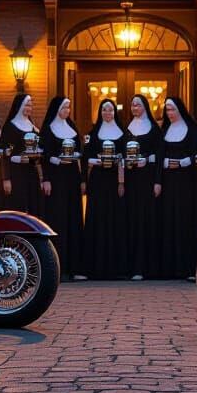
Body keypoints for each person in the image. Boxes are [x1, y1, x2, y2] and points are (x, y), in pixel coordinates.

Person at [81, 99, 128, 279]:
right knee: (97, 220)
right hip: (98, 181)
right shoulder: (93, 133)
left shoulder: (123, 134)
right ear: (100, 112)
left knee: (116, 220)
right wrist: (96, 161)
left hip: (115, 182)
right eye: (104, 110)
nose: (107, 113)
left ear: (114, 112)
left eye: (110, 110)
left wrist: (121, 182)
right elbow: (86, 158)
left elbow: (124, 158)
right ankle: (96, 268)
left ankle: (117, 269)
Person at [40, 95, 84, 281]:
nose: (67, 110)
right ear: (56, 108)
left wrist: (82, 179)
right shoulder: (48, 129)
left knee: (73, 218)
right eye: (64, 107)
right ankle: (58, 267)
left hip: (72, 178)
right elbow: (44, 154)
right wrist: (47, 178)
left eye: (69, 107)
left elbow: (80, 151)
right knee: (58, 218)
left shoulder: (72, 128)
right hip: (56, 179)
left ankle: (75, 267)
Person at [157, 96, 197, 280]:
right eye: (167, 110)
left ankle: (187, 267)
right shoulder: (164, 130)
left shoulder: (191, 130)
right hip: (168, 183)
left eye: (173, 109)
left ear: (180, 110)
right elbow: (159, 154)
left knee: (185, 221)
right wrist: (165, 162)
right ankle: (169, 268)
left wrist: (184, 162)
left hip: (187, 182)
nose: (170, 113)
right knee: (168, 221)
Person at [124, 94, 161, 280]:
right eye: (132, 105)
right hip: (131, 181)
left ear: (145, 107)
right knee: (131, 220)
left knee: (146, 220)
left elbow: (159, 155)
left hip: (147, 180)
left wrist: (156, 180)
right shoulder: (127, 128)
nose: (135, 108)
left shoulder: (154, 129)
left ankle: (147, 267)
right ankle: (132, 267)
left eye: (138, 105)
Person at [0, 94, 45, 217]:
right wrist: (6, 178)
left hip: (31, 172)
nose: (29, 108)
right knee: (18, 206)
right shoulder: (10, 126)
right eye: (26, 105)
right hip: (16, 173)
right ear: (19, 106)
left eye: (30, 105)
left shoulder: (33, 127)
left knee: (33, 206)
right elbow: (5, 153)